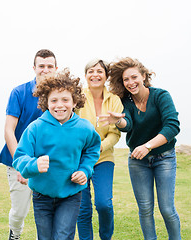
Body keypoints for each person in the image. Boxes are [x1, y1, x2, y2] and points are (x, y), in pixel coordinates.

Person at [12, 69, 101, 240]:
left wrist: (84, 170)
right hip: (41, 196)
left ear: (74, 102)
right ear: (46, 102)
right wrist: (33, 165)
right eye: (54, 100)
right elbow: (20, 157)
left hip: (71, 195)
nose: (60, 105)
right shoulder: (35, 128)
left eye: (65, 100)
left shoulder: (85, 128)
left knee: (63, 236)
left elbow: (92, 150)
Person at [99, 57, 181, 240]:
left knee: (167, 209)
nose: (130, 82)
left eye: (134, 77)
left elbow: (172, 126)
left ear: (144, 76)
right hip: (138, 162)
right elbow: (127, 124)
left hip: (164, 157)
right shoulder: (125, 102)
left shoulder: (161, 96)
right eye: (125, 79)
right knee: (145, 209)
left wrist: (147, 146)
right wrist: (118, 120)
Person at [0, 49, 58, 239]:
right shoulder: (19, 92)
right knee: (20, 211)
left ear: (56, 68)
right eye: (41, 66)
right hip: (18, 161)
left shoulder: (62, 95)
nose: (45, 70)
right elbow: (9, 130)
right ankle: (14, 234)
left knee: (53, 211)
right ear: (34, 68)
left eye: (50, 66)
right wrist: (21, 163)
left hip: (49, 163)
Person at [76, 59, 123, 240]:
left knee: (104, 204)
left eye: (99, 71)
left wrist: (99, 147)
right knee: (83, 207)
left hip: (104, 158)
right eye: (91, 71)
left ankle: (106, 237)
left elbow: (115, 133)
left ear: (106, 76)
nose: (95, 75)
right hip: (79, 159)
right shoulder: (78, 97)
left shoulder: (114, 100)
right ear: (86, 75)